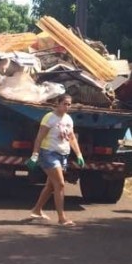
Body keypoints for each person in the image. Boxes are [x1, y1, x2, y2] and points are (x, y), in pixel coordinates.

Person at [27, 94, 84, 226]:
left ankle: (36, 210)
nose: (67, 107)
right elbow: (39, 137)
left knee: (51, 186)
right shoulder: (49, 118)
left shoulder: (69, 119)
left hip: (63, 154)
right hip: (49, 153)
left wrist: (79, 154)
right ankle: (62, 218)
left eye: (69, 104)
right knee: (60, 184)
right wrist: (35, 155)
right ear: (57, 103)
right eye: (64, 103)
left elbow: (72, 138)